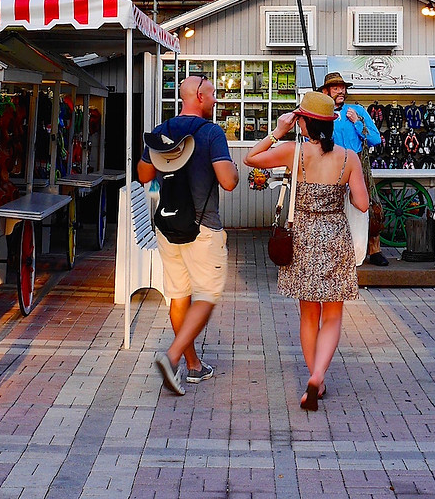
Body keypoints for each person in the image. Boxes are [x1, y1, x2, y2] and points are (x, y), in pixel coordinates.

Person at [244, 90, 369, 411]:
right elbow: (363, 203)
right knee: (333, 314)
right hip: (335, 237)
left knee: (308, 314)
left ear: (304, 123)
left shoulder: (292, 151)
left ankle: (314, 377)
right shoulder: (348, 157)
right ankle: (319, 377)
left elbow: (251, 158)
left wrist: (278, 130)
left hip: (302, 237)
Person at [139, 75, 238, 396]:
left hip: (168, 224)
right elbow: (228, 182)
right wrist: (232, 169)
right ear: (198, 95)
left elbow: (144, 175)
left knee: (179, 295)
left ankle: (193, 366)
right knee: (207, 295)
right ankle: (172, 357)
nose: (215, 100)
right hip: (203, 228)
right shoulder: (211, 133)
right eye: (212, 94)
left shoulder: (161, 130)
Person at [320, 71, 386, 264]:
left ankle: (374, 250)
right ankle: (336, 252)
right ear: (326, 91)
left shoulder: (357, 111)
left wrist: (357, 122)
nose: (340, 91)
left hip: (356, 164)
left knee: (367, 207)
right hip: (330, 167)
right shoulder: (322, 113)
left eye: (342, 88)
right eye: (335, 88)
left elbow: (375, 139)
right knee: (333, 210)